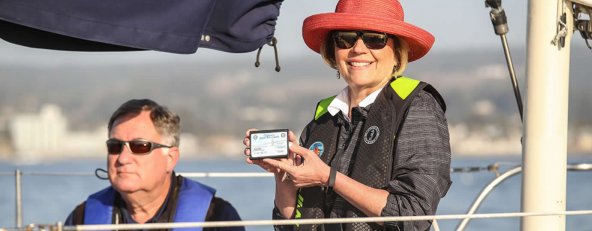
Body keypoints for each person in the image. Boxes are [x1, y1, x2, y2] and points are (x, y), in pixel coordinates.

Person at [243, 0, 451, 230]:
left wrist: (329, 177)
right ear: (333, 50)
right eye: (346, 38)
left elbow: (414, 213)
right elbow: (290, 224)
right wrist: (284, 175)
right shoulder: (324, 117)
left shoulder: (417, 107)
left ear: (397, 50)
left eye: (375, 38)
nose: (358, 49)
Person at [65, 99, 244, 231]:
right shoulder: (81, 219)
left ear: (170, 158)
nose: (123, 158)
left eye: (140, 146)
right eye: (115, 146)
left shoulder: (216, 218)